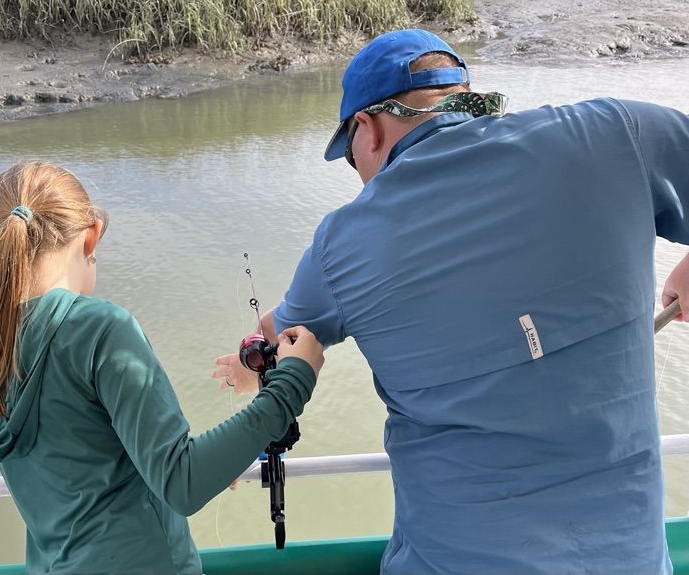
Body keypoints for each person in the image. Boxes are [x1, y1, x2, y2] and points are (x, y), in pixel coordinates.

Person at [213, 28, 689, 574]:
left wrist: (252, 371)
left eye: (351, 160)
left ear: (366, 130)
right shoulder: (615, 134)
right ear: (466, 97)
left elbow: (275, 341)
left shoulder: (343, 243)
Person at [0, 161, 324, 575]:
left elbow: (83, 455)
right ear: (90, 236)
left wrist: (222, 456)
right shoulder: (100, 329)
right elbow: (183, 482)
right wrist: (291, 382)